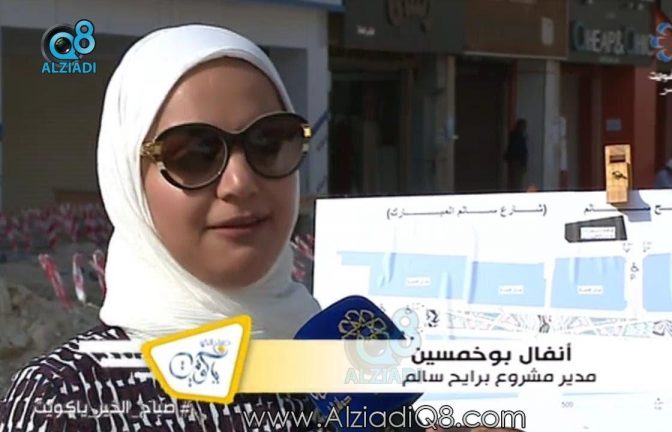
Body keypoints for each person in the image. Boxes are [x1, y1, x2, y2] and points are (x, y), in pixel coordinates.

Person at [0, 24, 519, 432]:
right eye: (194, 153)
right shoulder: (66, 401)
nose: (240, 182)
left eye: (269, 143)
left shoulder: (345, 361)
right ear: (128, 181)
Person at [504, 119, 528, 192]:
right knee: (516, 182)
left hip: (516, 161)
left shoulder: (514, 136)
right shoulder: (517, 137)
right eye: (523, 127)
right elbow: (520, 151)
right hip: (516, 161)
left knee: (515, 181)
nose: (524, 129)